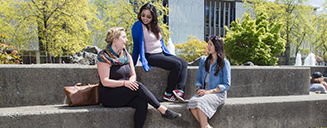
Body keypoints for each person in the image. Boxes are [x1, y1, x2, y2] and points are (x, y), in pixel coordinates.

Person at [97, 27, 181, 128]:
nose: (126, 39)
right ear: (115, 39)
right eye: (124, 37)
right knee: (139, 86)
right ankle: (163, 110)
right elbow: (105, 81)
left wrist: (131, 82)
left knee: (142, 102)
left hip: (124, 91)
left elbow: (133, 74)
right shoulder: (104, 57)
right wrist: (125, 83)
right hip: (109, 95)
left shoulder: (126, 55)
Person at [132, 3, 188, 103]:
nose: (145, 18)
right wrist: (132, 64)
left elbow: (160, 44)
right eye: (143, 15)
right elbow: (136, 46)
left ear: (153, 17)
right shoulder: (138, 26)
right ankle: (168, 93)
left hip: (161, 53)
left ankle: (180, 90)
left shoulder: (155, 26)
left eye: (148, 16)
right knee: (176, 65)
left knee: (183, 62)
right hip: (151, 55)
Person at [187, 35, 231, 128]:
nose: (208, 47)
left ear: (217, 46)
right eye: (208, 44)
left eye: (211, 44)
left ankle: (204, 127)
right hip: (205, 92)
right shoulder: (203, 60)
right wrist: (199, 89)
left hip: (218, 93)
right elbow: (198, 79)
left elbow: (226, 84)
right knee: (191, 102)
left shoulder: (224, 62)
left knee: (200, 102)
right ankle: (207, 126)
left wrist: (209, 92)